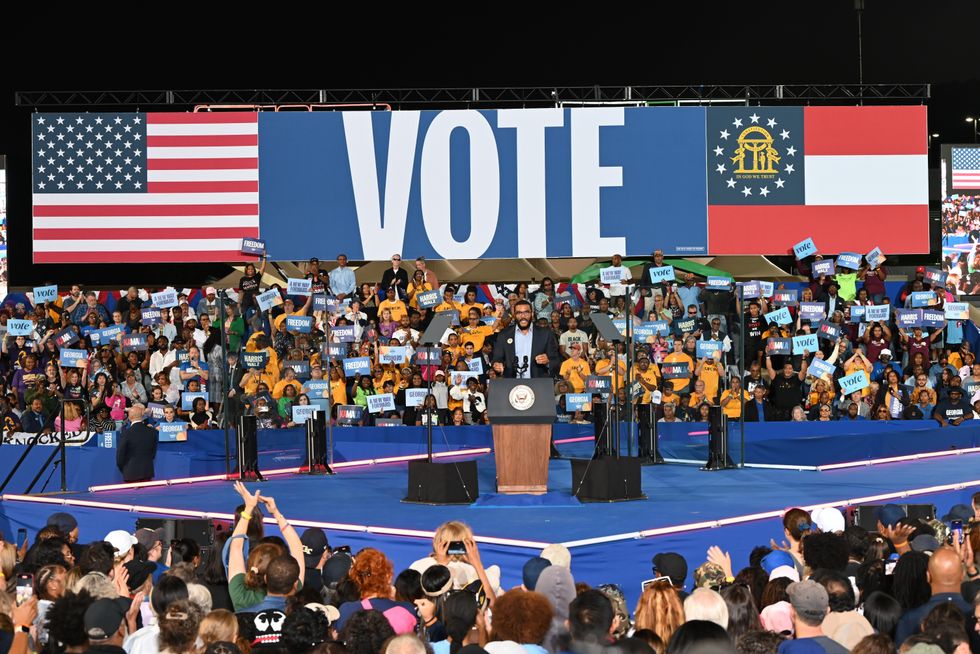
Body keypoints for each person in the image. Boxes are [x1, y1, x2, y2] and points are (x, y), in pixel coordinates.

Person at [491, 299, 560, 379]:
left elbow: (556, 360)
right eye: (519, 313)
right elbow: (497, 358)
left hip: (538, 384)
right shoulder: (504, 334)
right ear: (514, 315)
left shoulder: (546, 334)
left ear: (532, 314)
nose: (523, 316)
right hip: (511, 385)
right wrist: (497, 364)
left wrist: (547, 361)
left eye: (526, 312)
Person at [116, 405, 158, 482]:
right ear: (142, 416)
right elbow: (153, 453)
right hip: (147, 473)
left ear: (129, 417)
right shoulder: (152, 432)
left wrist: (125, 469)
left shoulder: (126, 433)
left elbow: (120, 456)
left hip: (130, 473)